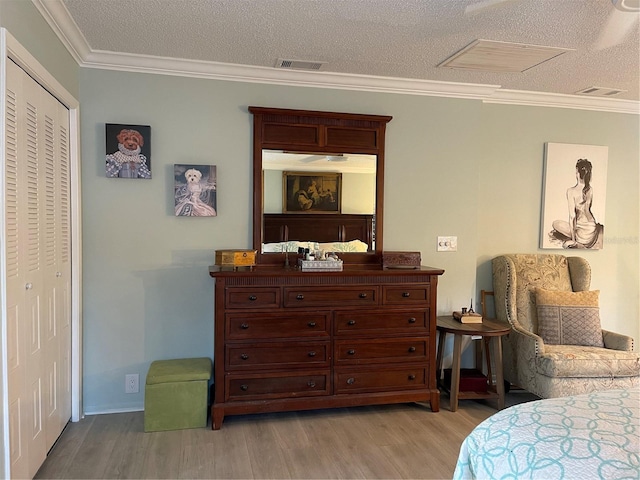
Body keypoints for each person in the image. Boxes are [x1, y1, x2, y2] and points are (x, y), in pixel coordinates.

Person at [549, 158, 603, 249]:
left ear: (578, 174)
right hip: (592, 230)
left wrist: (573, 241)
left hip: (582, 236)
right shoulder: (590, 189)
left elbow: (572, 216)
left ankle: (576, 240)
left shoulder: (571, 191)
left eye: (576, 171)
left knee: (555, 224)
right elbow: (589, 208)